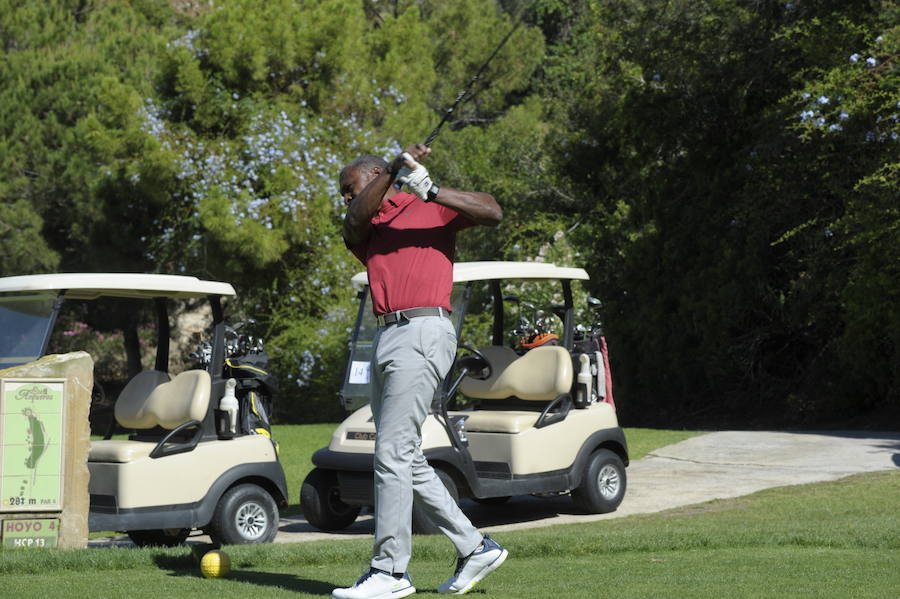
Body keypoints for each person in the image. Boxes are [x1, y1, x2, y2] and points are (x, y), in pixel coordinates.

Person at [332, 144, 506, 599]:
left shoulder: (427, 207)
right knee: (404, 455)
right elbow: (353, 223)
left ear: (370, 177)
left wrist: (432, 188)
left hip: (424, 329)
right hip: (386, 336)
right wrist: (392, 171)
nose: (345, 200)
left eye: (350, 189)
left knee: (390, 452)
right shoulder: (365, 226)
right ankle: (474, 546)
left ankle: (390, 572)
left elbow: (492, 211)